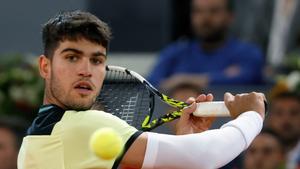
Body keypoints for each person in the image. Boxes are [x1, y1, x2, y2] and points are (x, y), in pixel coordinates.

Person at [18, 10, 266, 169]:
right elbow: (206, 156)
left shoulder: (35, 138)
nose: (86, 70)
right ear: (45, 66)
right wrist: (252, 117)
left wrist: (185, 142)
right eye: (72, 57)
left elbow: (194, 160)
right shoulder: (80, 125)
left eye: (96, 60)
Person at [148, 0, 264, 88]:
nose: (205, 18)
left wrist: (182, 80)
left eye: (214, 11)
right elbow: (151, 84)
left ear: (230, 16)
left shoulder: (248, 53)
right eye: (198, 11)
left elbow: (248, 77)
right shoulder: (175, 52)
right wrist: (223, 75)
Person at [266, 91, 300, 169]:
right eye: (279, 113)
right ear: (269, 119)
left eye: (294, 113)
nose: (286, 120)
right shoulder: (255, 152)